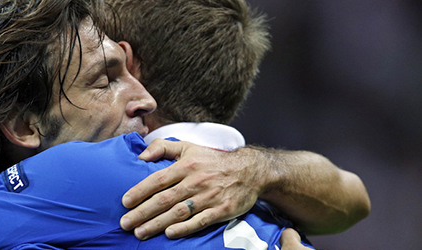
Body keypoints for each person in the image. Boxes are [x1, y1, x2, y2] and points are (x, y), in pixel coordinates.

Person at [0, 0, 366, 249]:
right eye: (105, 77)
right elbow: (351, 200)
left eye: (122, 70)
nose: (142, 98)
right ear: (23, 123)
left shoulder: (98, 174)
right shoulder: (244, 188)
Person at [104, 0, 371, 240]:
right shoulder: (277, 209)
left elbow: (357, 199)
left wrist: (258, 169)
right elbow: (356, 201)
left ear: (125, 63)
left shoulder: (93, 179)